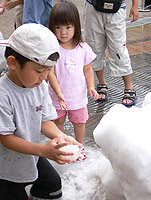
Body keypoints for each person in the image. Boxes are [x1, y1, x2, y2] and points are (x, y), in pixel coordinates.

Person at [0, 23, 81, 200]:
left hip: (31, 154)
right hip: (6, 166)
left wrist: (61, 137)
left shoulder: (39, 86)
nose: (44, 77)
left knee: (52, 186)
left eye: (48, 70)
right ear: (13, 63)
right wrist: (44, 151)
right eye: (38, 70)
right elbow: (6, 138)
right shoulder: (3, 94)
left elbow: (44, 121)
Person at [48, 1, 99, 145]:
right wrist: (59, 94)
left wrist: (91, 86)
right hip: (57, 96)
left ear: (76, 26)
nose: (63, 32)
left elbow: (87, 69)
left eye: (68, 27)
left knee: (79, 122)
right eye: (58, 27)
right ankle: (60, 144)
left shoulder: (83, 48)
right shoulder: (53, 48)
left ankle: (79, 145)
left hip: (77, 95)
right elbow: (50, 74)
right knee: (58, 121)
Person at [84, 0, 138, 106]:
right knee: (94, 48)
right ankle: (101, 83)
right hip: (93, 7)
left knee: (119, 49)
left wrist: (135, 5)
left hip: (117, 8)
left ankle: (129, 87)